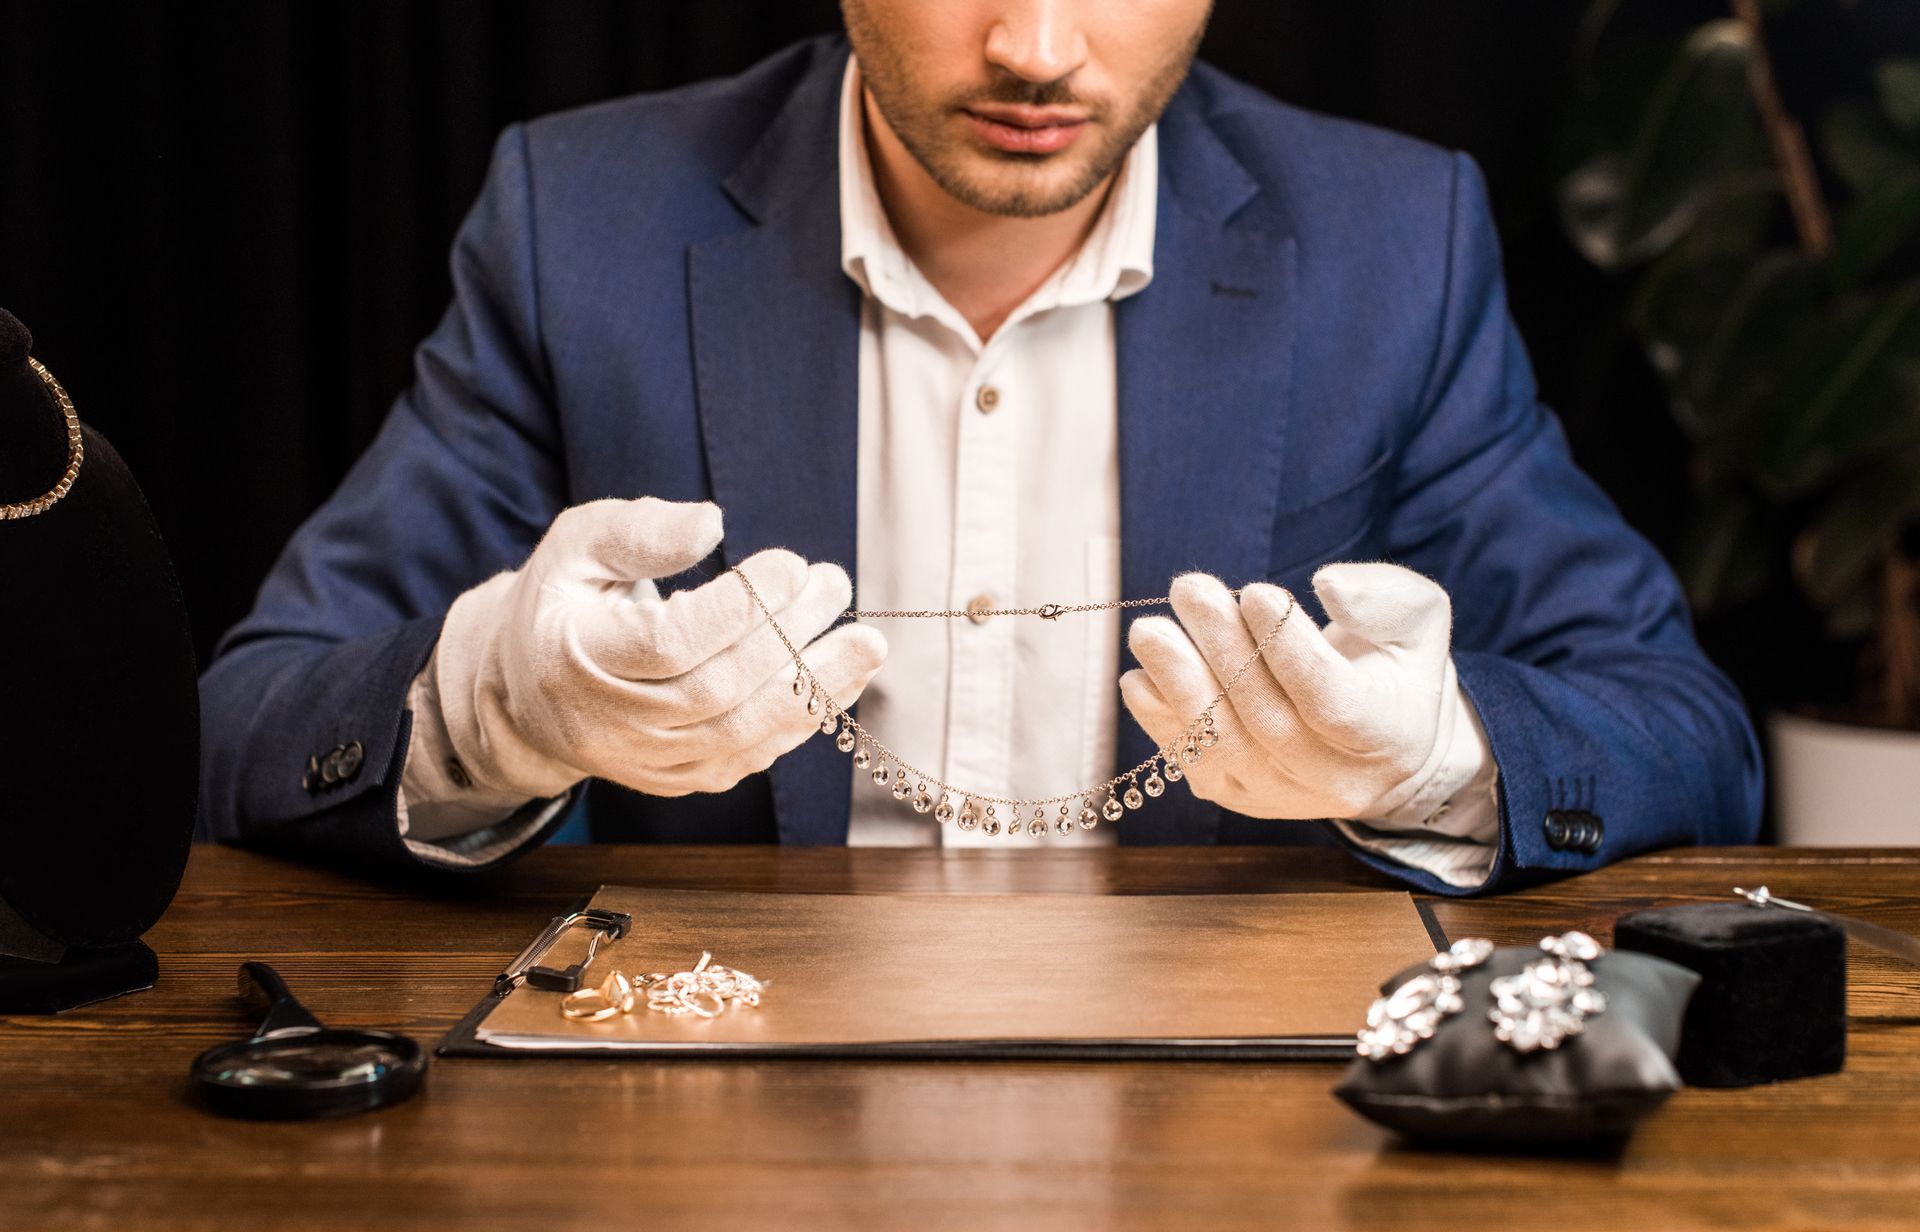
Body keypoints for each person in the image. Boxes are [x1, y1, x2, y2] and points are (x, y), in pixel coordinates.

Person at [197, 0, 1763, 895]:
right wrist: (492, 702)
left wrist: (1437, 753)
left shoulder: (1388, 244)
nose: (1034, 44)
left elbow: (1683, 732)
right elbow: (243, 726)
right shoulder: (579, 227)